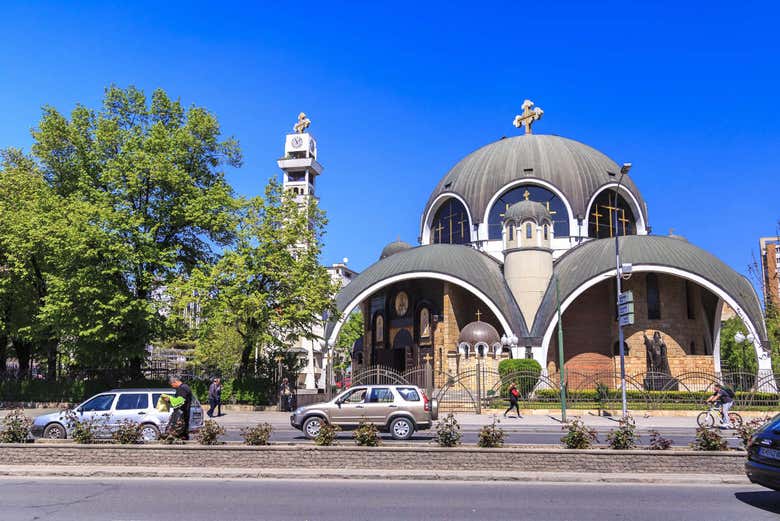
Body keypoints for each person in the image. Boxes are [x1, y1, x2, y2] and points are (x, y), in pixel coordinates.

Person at [167, 375, 193, 440]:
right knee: (183, 433)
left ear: (175, 382)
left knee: (180, 433)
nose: (172, 386)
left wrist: (169, 400)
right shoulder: (184, 387)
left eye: (172, 384)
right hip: (183, 415)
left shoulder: (182, 388)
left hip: (182, 415)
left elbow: (180, 401)